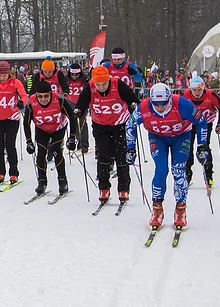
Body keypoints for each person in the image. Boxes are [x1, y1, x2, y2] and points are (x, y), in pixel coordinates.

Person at [126, 82, 209, 229]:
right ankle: (157, 209)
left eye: (164, 103)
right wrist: (131, 148)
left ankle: (181, 209)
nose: (160, 107)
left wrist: (202, 146)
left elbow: (201, 121)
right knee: (161, 169)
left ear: (169, 99)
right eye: (156, 104)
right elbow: (130, 124)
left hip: (181, 136)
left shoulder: (181, 104)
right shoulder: (144, 107)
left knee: (178, 169)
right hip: (158, 138)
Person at [76, 65, 139, 205]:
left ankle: (123, 189)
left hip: (120, 125)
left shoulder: (117, 84)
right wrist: (79, 110)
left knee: (121, 156)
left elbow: (132, 98)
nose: (101, 87)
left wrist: (133, 105)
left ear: (108, 80)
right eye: (98, 84)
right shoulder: (90, 86)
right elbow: (82, 103)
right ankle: (104, 188)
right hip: (100, 125)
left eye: (104, 84)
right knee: (103, 156)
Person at [23, 80, 79, 196]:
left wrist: (72, 138)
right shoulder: (31, 103)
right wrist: (29, 141)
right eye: (40, 96)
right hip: (42, 129)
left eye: (46, 96)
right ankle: (42, 182)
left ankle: (62, 181)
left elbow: (72, 118)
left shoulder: (59, 100)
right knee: (41, 154)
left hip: (58, 128)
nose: (43, 99)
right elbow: (26, 123)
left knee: (56, 151)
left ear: (50, 94)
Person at [181, 74, 220, 186]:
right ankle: (187, 175)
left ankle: (209, 175)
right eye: (194, 90)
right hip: (190, 124)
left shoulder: (210, 94)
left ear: (203, 88)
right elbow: (177, 109)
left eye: (199, 90)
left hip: (205, 124)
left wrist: (219, 124)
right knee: (188, 148)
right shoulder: (185, 95)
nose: (197, 93)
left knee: (204, 147)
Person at [65, 64, 90, 154]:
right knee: (74, 124)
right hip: (70, 103)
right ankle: (78, 143)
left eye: (76, 75)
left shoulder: (84, 79)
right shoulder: (66, 79)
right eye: (72, 74)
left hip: (82, 103)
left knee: (82, 123)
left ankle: (84, 145)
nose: (74, 77)